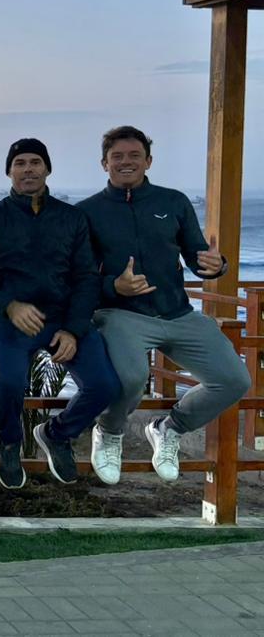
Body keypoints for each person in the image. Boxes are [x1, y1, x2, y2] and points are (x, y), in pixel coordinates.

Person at [78, 125, 250, 483]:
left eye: (134, 155)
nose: (126, 162)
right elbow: (77, 278)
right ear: (104, 164)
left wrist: (217, 265)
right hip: (121, 314)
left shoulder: (173, 202)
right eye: (117, 157)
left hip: (178, 313)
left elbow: (199, 256)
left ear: (149, 161)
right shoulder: (86, 212)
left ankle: (169, 428)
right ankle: (109, 431)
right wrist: (114, 286)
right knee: (131, 379)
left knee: (234, 380)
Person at [0, 138, 120, 488]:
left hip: (65, 321)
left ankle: (58, 434)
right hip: (14, 323)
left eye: (35, 162)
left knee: (104, 385)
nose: (28, 169)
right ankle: (9, 443)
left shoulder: (72, 218)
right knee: (9, 384)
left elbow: (86, 278)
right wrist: (10, 305)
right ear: (9, 172)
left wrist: (74, 329)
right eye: (19, 163)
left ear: (47, 169)